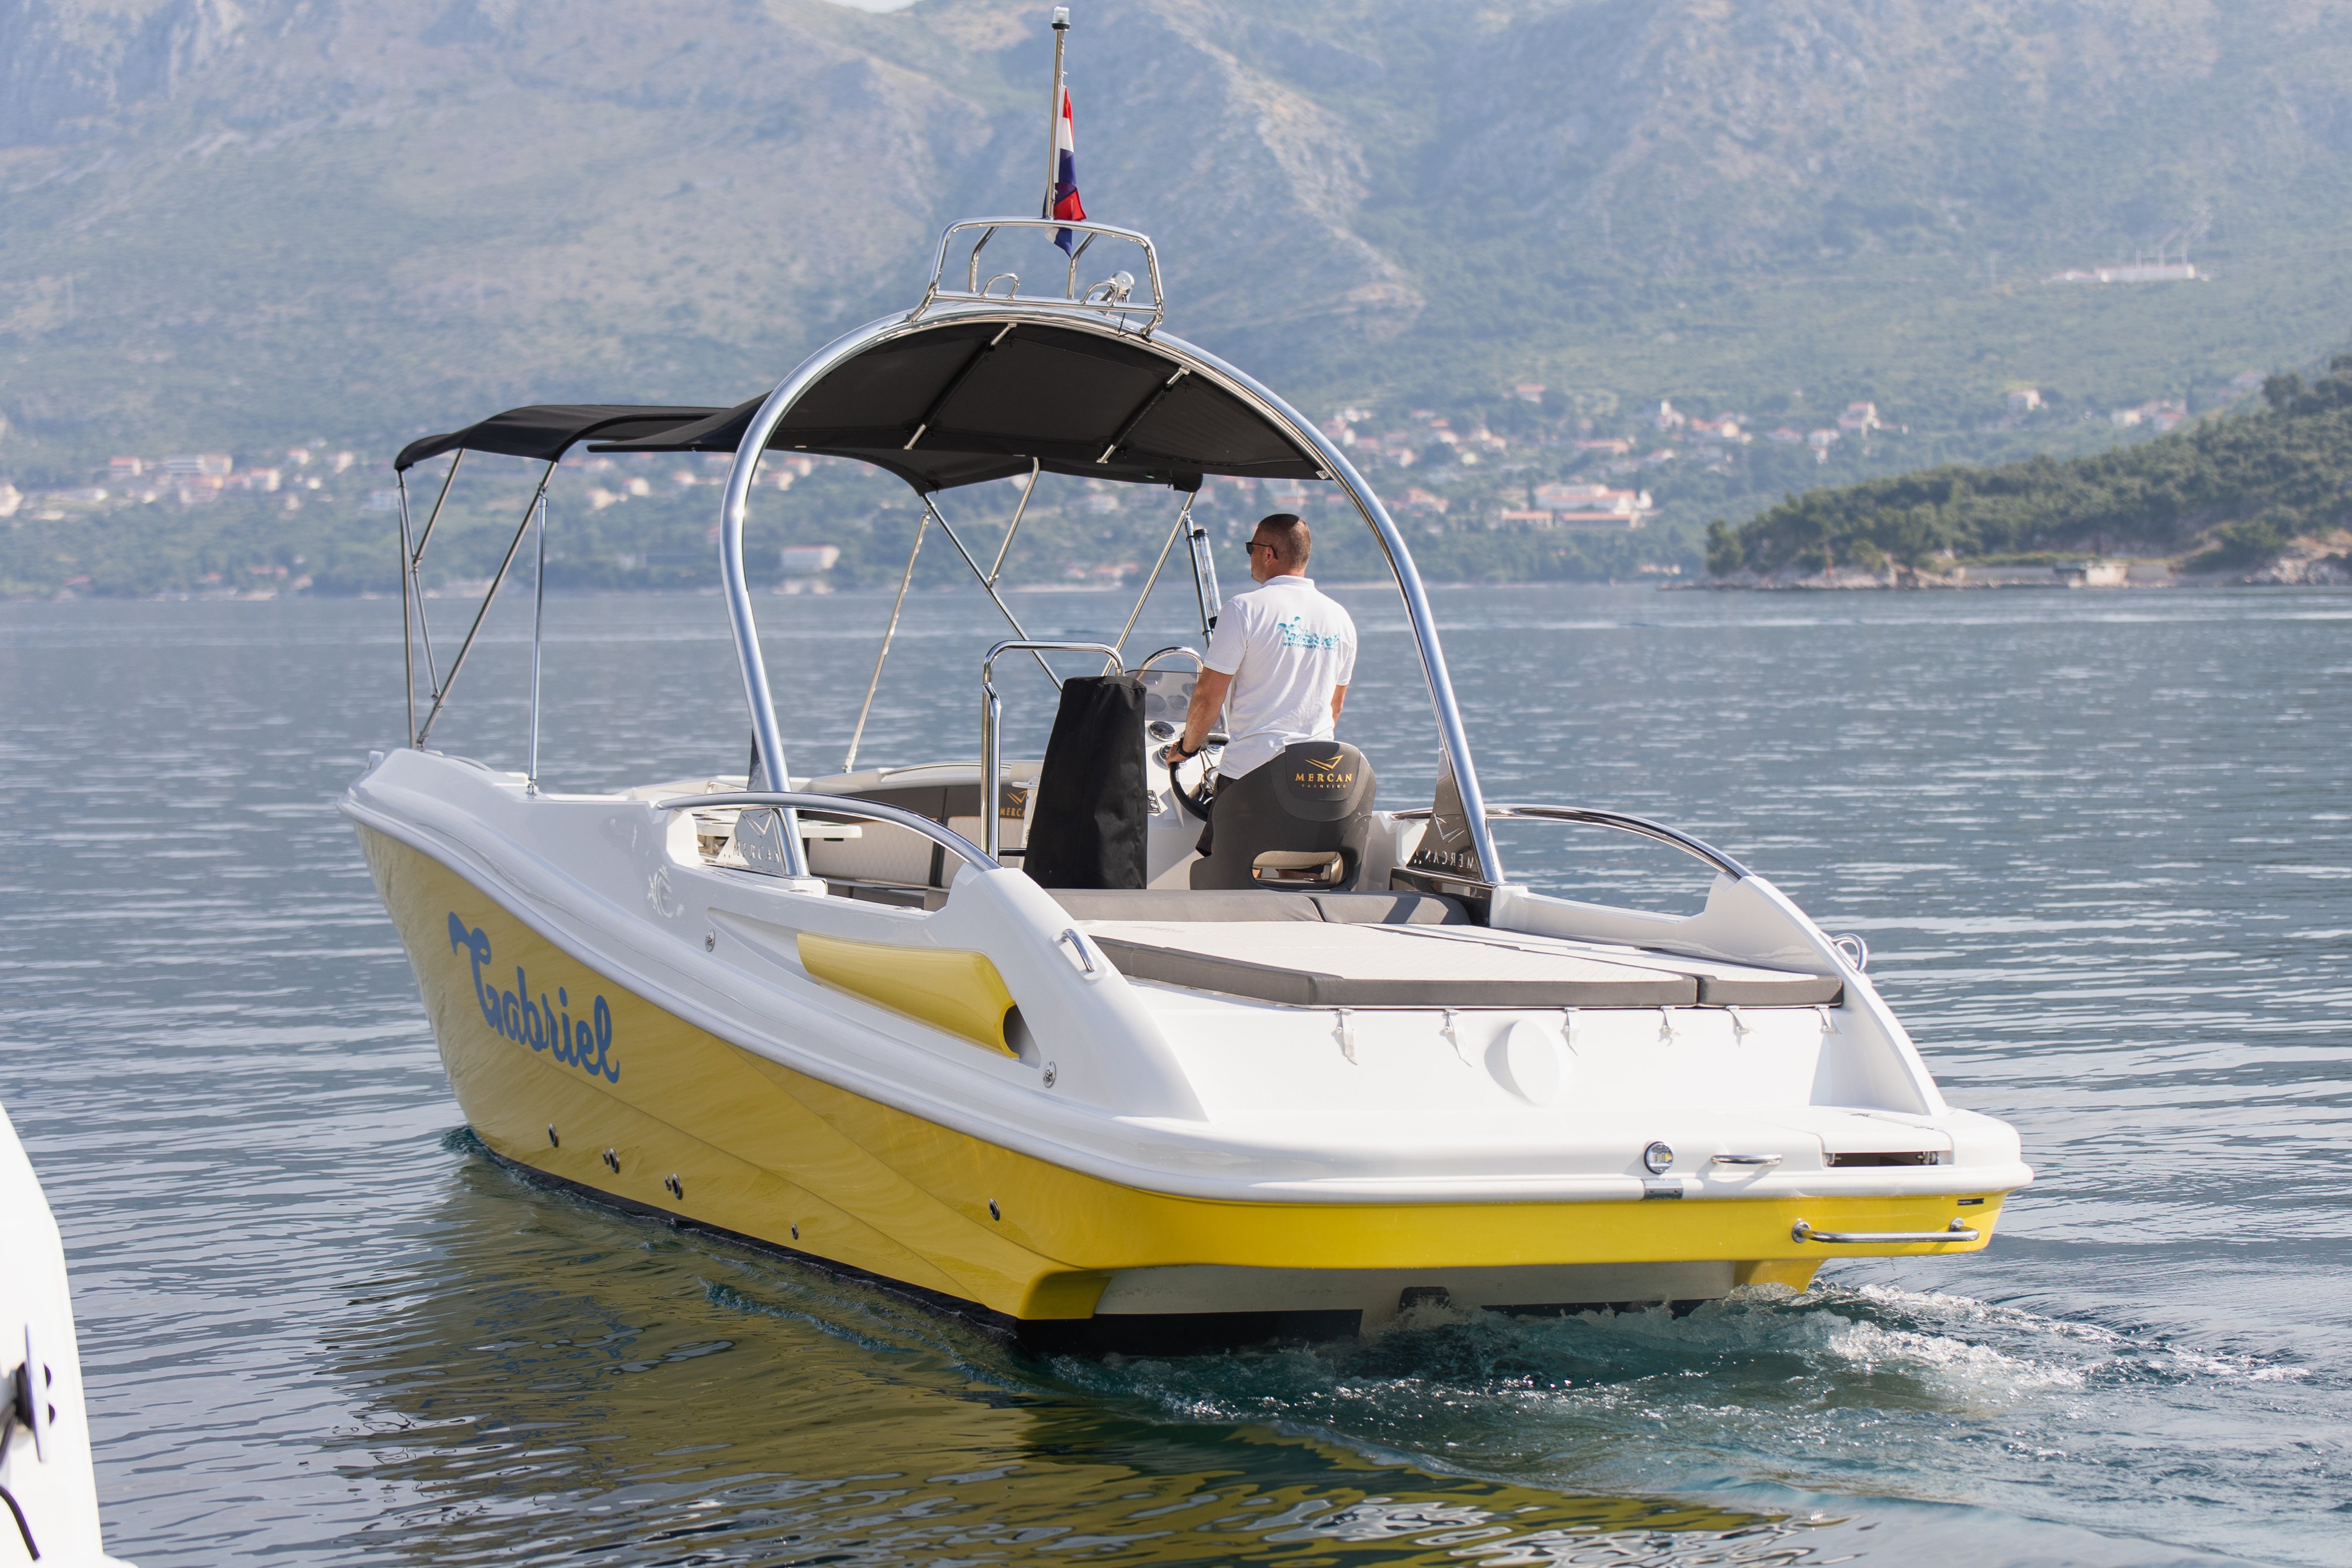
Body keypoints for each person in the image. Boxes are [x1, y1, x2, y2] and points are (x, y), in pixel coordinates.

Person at [1169, 512, 1357, 851]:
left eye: (1250, 548)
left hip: (1252, 774)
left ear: (1268, 553)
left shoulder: (1244, 609)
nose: (1251, 557)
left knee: (1222, 864)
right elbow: (1335, 707)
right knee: (1293, 864)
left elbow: (1207, 697)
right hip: (1317, 777)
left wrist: (1187, 748)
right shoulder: (1340, 618)